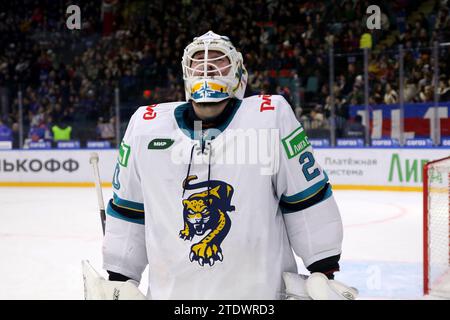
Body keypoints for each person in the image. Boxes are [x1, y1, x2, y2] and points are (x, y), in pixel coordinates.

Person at [93, 31, 355, 300]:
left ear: (239, 73)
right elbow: (129, 210)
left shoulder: (270, 118)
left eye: (218, 60)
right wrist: (119, 277)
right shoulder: (145, 126)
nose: (206, 66)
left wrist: (323, 271)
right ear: (186, 73)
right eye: (197, 61)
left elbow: (306, 199)